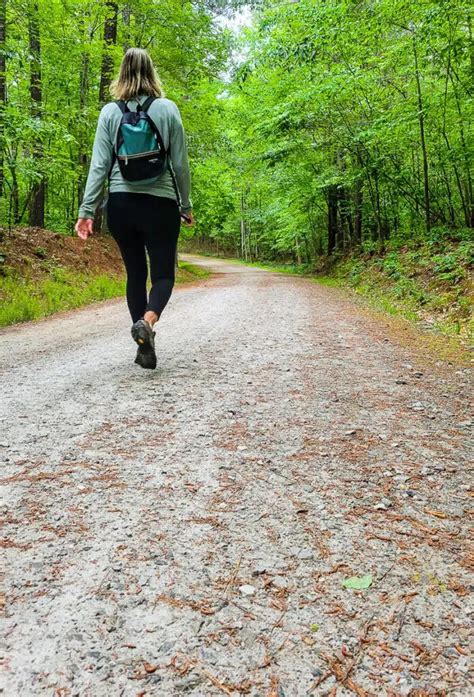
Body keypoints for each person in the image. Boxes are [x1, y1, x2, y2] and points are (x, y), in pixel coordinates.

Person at [75, 48, 193, 370]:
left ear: (122, 73)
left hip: (121, 204)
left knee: (135, 274)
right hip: (161, 203)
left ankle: (143, 342)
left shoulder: (110, 113)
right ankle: (149, 322)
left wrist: (87, 211)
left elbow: (99, 166)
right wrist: (185, 204)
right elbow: (180, 164)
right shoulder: (168, 110)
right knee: (164, 275)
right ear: (151, 72)